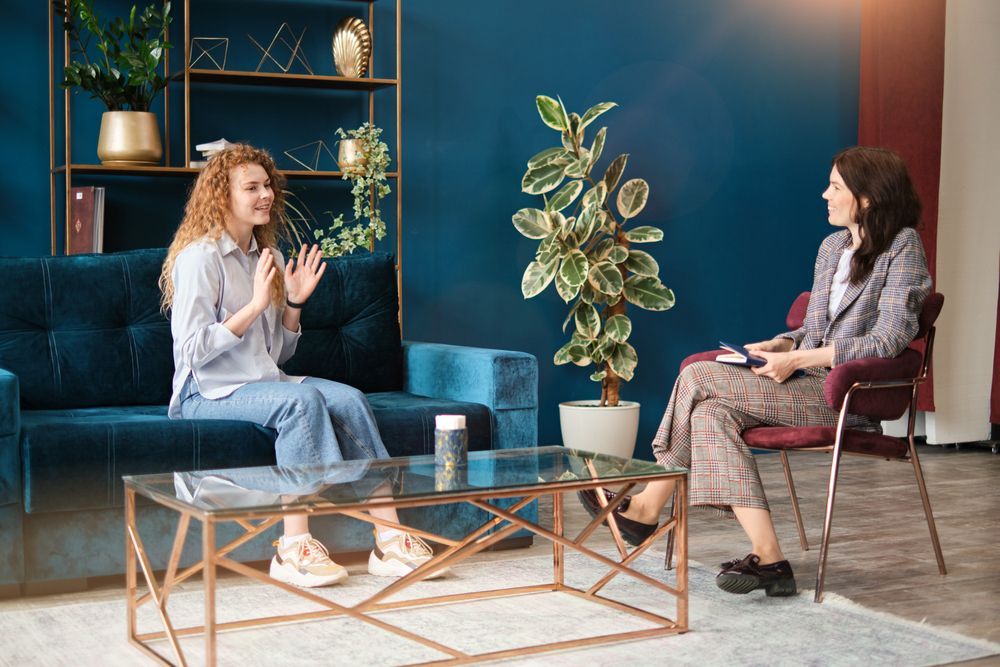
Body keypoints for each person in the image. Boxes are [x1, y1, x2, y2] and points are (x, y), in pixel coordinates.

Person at [581, 146, 931, 597]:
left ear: (867, 199)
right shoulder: (833, 248)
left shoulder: (902, 247)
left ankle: (649, 504)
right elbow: (817, 329)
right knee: (710, 415)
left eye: (836, 187)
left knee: (697, 376)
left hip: (845, 399)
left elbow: (887, 339)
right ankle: (771, 559)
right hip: (804, 383)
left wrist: (796, 361)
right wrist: (781, 344)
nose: (825, 194)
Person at [159, 144, 442, 588]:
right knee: (300, 402)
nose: (265, 194)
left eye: (266, 185)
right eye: (251, 187)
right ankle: (292, 548)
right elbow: (191, 351)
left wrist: (291, 304)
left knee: (349, 398)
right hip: (206, 392)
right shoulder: (200, 258)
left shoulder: (261, 255)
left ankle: (391, 538)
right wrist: (254, 306)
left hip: (260, 381)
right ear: (222, 196)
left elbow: (275, 358)